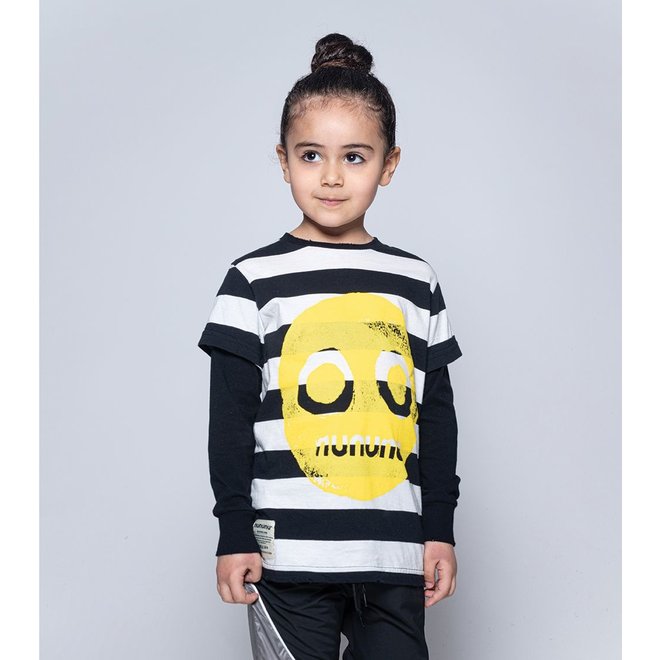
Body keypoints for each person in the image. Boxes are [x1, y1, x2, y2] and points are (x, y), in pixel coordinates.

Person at [198, 32, 463, 660]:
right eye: (311, 155)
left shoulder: (415, 282)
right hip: (288, 556)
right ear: (283, 159)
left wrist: (440, 531)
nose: (333, 177)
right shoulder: (252, 280)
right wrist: (234, 531)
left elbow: (436, 417)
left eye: (356, 157)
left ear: (389, 165)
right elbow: (230, 420)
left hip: (392, 552)